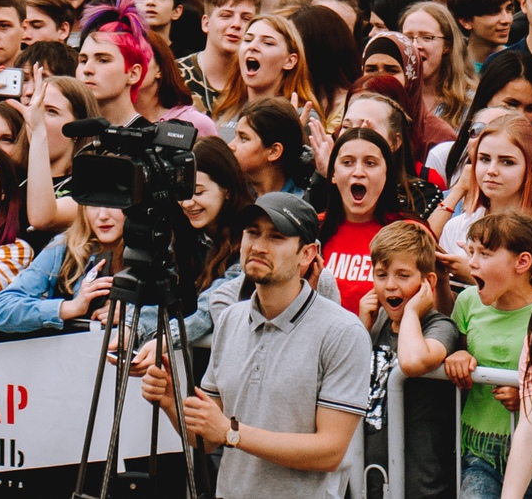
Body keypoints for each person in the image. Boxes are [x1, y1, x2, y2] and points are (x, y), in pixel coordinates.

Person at [137, 190, 369, 499]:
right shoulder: (231, 319)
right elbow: (206, 439)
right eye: (252, 233)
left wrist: (233, 433)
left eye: (276, 237)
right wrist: (170, 402)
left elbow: (330, 452)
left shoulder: (343, 331)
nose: (258, 246)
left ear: (308, 254)